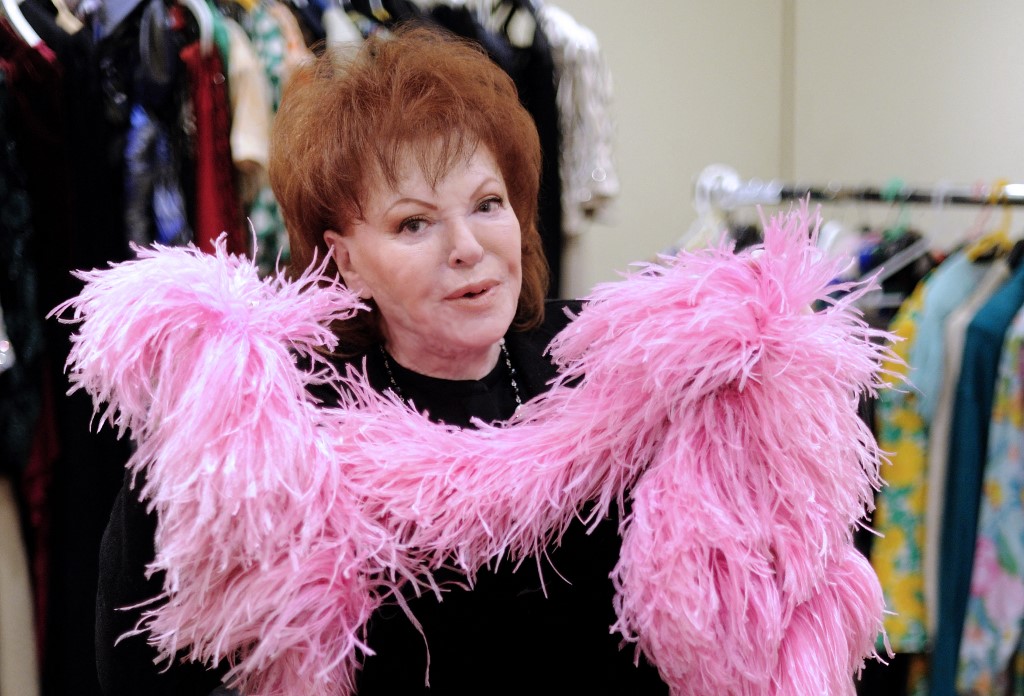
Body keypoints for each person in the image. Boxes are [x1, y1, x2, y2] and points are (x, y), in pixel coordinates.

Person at [95, 23, 668, 695]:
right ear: (346, 261)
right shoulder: (291, 422)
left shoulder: (607, 378)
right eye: (413, 224)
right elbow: (141, 661)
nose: (466, 246)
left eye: (487, 204)